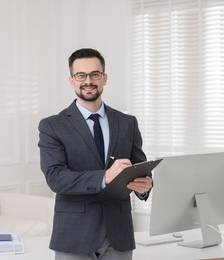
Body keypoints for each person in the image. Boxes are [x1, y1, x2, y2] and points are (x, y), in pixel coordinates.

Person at [38, 48, 153, 260]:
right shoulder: (52, 126)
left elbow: (139, 167)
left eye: (95, 74)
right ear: (71, 80)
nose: (88, 81)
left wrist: (145, 186)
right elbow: (56, 178)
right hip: (74, 235)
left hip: (118, 235)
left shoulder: (127, 123)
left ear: (104, 78)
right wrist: (104, 176)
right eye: (80, 75)